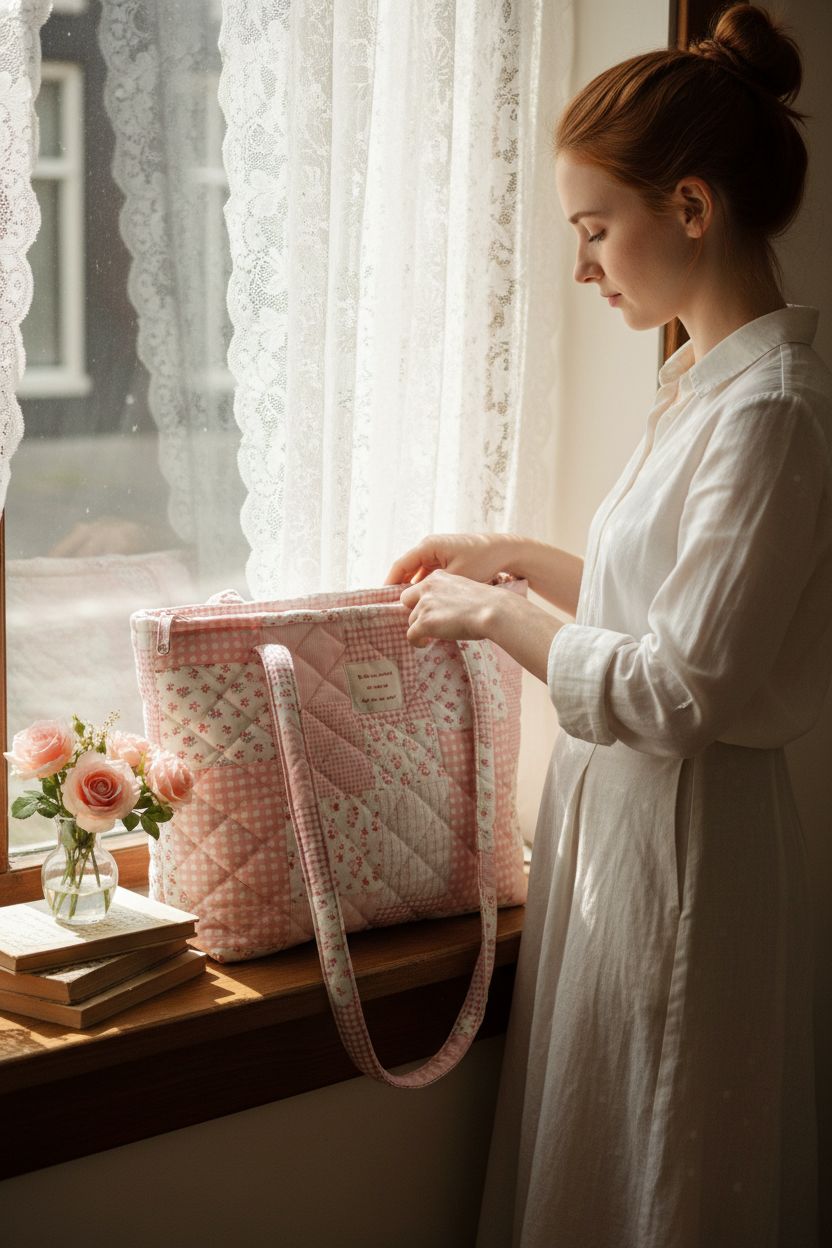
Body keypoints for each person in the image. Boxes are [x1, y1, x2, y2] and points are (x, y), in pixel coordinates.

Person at [385, 6, 831, 1245]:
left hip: (691, 845)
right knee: (606, 1142)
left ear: (688, 207)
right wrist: (517, 557)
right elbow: (670, 612)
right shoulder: (707, 388)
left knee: (669, 1162)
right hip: (628, 836)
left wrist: (495, 612)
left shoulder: (771, 414)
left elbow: (682, 690)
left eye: (594, 230)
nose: (584, 267)